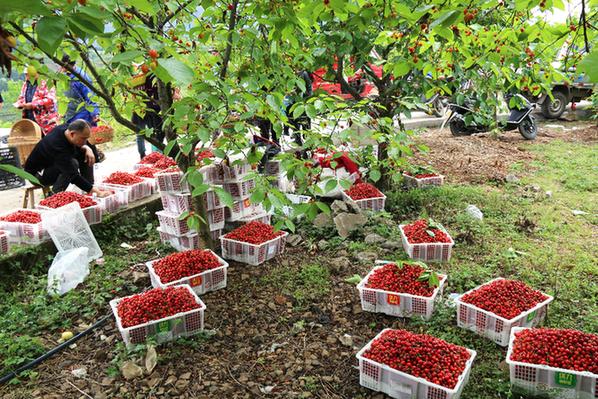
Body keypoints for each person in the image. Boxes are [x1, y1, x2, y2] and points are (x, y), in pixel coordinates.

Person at [24, 119, 111, 197]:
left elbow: (84, 145)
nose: (85, 141)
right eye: (83, 138)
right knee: (72, 163)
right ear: (72, 134)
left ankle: (89, 189)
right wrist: (97, 192)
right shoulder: (57, 145)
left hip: (53, 164)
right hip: (37, 175)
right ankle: (54, 197)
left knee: (84, 153)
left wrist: (87, 148)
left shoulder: (67, 129)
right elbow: (72, 174)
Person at [14, 65, 59, 135]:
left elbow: (51, 99)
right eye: (26, 74)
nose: (26, 77)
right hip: (30, 119)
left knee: (46, 141)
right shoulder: (26, 84)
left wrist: (33, 105)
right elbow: (22, 97)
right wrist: (20, 103)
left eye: (28, 74)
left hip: (45, 121)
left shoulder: (47, 83)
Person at [131, 72, 164, 160]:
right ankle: (157, 154)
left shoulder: (137, 79)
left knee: (140, 133)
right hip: (148, 109)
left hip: (139, 109)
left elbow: (133, 96)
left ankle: (144, 155)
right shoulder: (152, 76)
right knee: (153, 132)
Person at [61, 55, 99, 126]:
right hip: (72, 113)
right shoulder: (67, 74)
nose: (61, 68)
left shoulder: (81, 78)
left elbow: (90, 96)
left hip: (82, 114)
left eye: (62, 66)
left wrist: (95, 113)